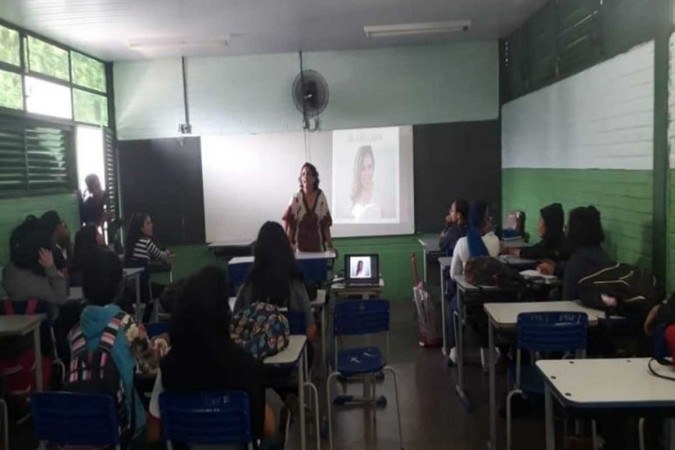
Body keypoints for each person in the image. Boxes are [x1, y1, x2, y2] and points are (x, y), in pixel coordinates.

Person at [147, 266, 284, 449]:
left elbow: (152, 433)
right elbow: (266, 428)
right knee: (275, 421)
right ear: (225, 316)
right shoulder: (244, 364)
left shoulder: (169, 368)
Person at [74, 248, 169, 434]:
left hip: (84, 425)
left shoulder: (77, 329)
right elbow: (151, 366)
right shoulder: (126, 324)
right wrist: (161, 342)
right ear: (118, 286)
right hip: (121, 422)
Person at [235, 221, 317, 340]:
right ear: (286, 249)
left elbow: (236, 329)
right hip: (294, 354)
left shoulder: (247, 288)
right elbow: (311, 330)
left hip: (256, 355)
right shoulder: (295, 285)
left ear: (258, 251)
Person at [446, 201, 500, 362]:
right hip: (492, 299)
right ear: (485, 221)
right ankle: (488, 353)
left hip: (468, 301)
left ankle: (454, 350)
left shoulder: (462, 243)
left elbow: (453, 274)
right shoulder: (495, 241)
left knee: (451, 308)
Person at [2, 216, 67, 318]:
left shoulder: (9, 273)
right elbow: (61, 298)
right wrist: (51, 268)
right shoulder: (37, 284)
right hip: (42, 332)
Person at [124, 213, 172, 322]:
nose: (151, 225)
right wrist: (168, 253)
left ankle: (142, 322)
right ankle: (146, 323)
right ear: (141, 228)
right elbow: (161, 256)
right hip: (144, 290)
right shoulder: (146, 242)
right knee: (166, 290)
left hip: (131, 290)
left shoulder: (130, 245)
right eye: (148, 223)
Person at [560, 206, 609, 301]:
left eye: (569, 225)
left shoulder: (579, 260)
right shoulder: (601, 253)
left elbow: (569, 296)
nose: (566, 229)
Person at [282, 162, 333, 252]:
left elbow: (325, 224)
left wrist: (330, 246)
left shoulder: (321, 196)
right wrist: (287, 246)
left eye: (309, 174)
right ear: (301, 179)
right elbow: (290, 224)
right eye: (303, 174)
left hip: (318, 247)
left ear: (314, 178)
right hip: (299, 249)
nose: (305, 176)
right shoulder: (296, 197)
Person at [350, 145, 382, 220]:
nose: (367, 173)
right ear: (357, 171)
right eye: (363, 168)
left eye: (369, 167)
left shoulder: (380, 195)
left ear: (373, 168)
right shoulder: (352, 198)